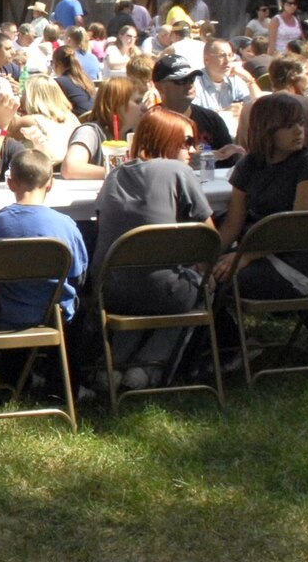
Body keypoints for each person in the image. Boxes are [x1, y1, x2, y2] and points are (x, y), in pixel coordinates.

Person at [87, 107, 217, 388]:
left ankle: (111, 366)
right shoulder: (178, 170)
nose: (193, 150)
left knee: (143, 279)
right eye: (186, 141)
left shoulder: (114, 175)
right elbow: (210, 239)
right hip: (162, 292)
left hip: (108, 290)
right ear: (163, 139)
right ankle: (150, 367)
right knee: (202, 284)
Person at [211, 93, 308, 341]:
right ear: (266, 130)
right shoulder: (249, 165)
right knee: (199, 276)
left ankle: (229, 348)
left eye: (300, 123)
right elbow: (233, 224)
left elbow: (297, 229)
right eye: (288, 126)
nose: (298, 131)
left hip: (294, 265)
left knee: (211, 284)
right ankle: (217, 347)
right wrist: (207, 257)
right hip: (255, 255)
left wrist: (244, 257)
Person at [0, 148, 88, 335]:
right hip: (54, 315)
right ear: (50, 184)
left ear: (10, 183)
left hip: (6, 315)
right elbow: (78, 275)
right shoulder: (65, 225)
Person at [151, 54, 242, 162]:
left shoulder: (212, 119)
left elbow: (229, 163)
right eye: (181, 80)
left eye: (191, 79)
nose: (189, 84)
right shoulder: (151, 122)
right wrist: (204, 158)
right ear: (159, 87)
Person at [194, 39, 254, 121]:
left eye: (230, 55)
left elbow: (259, 106)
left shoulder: (235, 79)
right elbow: (193, 116)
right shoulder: (195, 83)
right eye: (222, 56)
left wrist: (249, 79)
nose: (227, 60)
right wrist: (224, 112)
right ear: (206, 60)